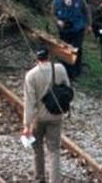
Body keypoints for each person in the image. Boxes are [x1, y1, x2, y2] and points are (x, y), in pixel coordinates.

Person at [23, 47, 71, 183]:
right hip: (56, 116)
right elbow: (67, 88)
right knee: (54, 150)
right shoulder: (60, 69)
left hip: (39, 118)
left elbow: (29, 102)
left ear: (37, 58)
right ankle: (55, 180)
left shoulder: (31, 75)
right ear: (48, 57)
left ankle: (39, 178)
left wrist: (27, 124)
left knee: (37, 149)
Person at [52, 0, 91, 79]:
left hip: (78, 28)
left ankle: (76, 71)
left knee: (76, 48)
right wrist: (58, 22)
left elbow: (86, 11)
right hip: (64, 29)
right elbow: (53, 14)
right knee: (65, 49)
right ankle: (66, 72)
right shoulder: (57, 0)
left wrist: (88, 24)